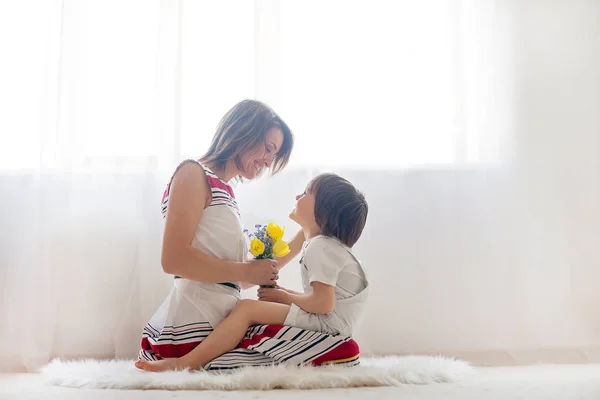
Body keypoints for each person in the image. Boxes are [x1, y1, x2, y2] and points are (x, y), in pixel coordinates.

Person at [135, 173, 369, 371]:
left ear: (322, 212)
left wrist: (284, 297)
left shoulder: (321, 246)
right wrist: (280, 290)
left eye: (307, 193)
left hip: (330, 324)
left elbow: (323, 304)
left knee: (246, 309)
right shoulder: (323, 244)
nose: (298, 196)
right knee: (251, 313)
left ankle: (185, 363)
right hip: (332, 319)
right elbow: (321, 296)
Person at [136, 99, 303, 362]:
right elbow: (174, 259)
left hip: (220, 316)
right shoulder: (193, 173)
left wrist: (303, 237)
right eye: (269, 149)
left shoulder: (223, 189)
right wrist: (246, 270)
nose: (269, 161)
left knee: (315, 336)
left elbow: (234, 279)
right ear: (244, 131)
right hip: (195, 320)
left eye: (274, 156)